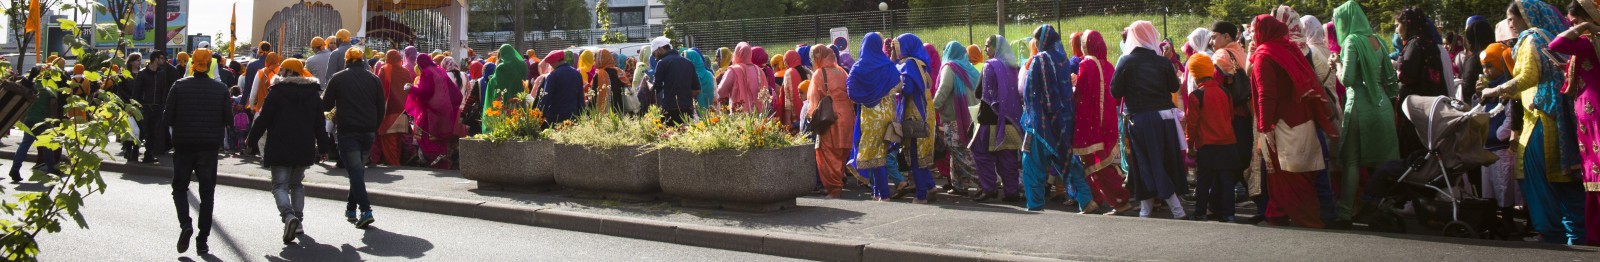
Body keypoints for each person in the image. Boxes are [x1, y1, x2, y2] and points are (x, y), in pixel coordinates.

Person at [1483, 0, 1587, 245]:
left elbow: (1527, 78)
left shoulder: (1531, 38)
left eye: (1511, 18)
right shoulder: (1550, 36)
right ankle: (1579, 233)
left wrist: (1494, 90)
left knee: (1535, 176)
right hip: (1556, 115)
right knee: (1565, 177)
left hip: (1541, 117)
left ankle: (1552, 232)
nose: (1509, 24)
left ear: (1526, 17)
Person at [1252, 14, 1339, 228]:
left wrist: (1265, 127)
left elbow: (1266, 95)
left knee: (1288, 175)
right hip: (1303, 119)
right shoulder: (1289, 48)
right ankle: (1279, 212)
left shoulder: (1264, 55)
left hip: (1283, 123)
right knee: (1300, 173)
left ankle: (1307, 218)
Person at [247, 58, 334, 244]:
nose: (279, 73)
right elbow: (319, 124)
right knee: (297, 184)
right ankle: (299, 221)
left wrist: (250, 140)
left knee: (279, 185)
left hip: (279, 145)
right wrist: (324, 148)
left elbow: (263, 120)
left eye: (283, 70)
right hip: (304, 146)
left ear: (288, 72)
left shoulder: (276, 93)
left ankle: (288, 216)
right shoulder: (313, 94)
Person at [1332, 0, 1402, 222]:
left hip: (1360, 107)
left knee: (1352, 162)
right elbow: (1390, 80)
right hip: (1382, 108)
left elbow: (1348, 79)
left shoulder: (1352, 41)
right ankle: (1381, 210)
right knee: (1382, 163)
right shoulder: (1379, 41)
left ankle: (1345, 213)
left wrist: (1336, 65)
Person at [1114, 21, 1190, 219]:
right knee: (1161, 160)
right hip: (1163, 118)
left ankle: (1172, 209)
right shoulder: (1162, 62)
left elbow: (1115, 91)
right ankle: (1151, 209)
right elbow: (1174, 87)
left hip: (1139, 118)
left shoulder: (1126, 61)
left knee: (1145, 162)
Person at [163, 48, 231, 254]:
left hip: (183, 145)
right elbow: (228, 119)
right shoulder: (220, 89)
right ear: (211, 64)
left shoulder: (179, 86)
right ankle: (203, 241)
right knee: (207, 194)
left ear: (192, 63)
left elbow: (167, 118)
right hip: (209, 148)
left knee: (180, 188)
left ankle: (186, 224)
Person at [1549, 0, 1600, 245]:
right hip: (1586, 112)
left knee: (1597, 170)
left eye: (1575, 22)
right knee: (1593, 173)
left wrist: (1585, 27)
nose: (1574, 27)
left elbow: (1555, 43)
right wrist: (1566, 67)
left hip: (1594, 112)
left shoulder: (1589, 41)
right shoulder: (1589, 44)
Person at [1075, 30, 1136, 214]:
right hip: (1108, 122)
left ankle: (1119, 201)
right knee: (1102, 164)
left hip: (1091, 123)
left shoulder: (1087, 64)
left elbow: (1081, 94)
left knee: (1096, 165)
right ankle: (1097, 199)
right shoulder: (1109, 66)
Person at [1184, 53, 1240, 222]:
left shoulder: (1196, 96)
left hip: (1207, 145)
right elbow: (1230, 116)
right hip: (1228, 143)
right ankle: (1229, 214)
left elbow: (1192, 125)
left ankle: (1200, 213)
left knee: (1204, 181)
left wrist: (1189, 145)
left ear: (1194, 73)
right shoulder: (1225, 92)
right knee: (1226, 181)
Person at [848, 32, 902, 202]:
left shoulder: (858, 67)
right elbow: (899, 85)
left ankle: (882, 194)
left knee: (871, 153)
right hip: (887, 115)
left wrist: (867, 97)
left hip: (870, 116)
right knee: (881, 153)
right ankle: (878, 192)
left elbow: (851, 93)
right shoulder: (886, 64)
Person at [969, 35, 1023, 202]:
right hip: (1010, 119)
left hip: (989, 119)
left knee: (981, 153)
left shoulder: (990, 66)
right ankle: (1011, 191)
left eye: (988, 46)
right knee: (1007, 157)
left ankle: (989, 188)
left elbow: (979, 93)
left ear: (996, 48)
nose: (985, 50)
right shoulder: (1013, 67)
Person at [1395, 8, 1450, 158]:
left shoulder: (1415, 44)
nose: (1396, 30)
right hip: (1430, 103)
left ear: (1407, 24)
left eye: (1398, 25)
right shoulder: (1429, 42)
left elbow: (1408, 75)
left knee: (1414, 148)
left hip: (1416, 106)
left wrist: (1397, 69)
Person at [891, 33, 939, 204]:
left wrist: (896, 88)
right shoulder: (922, 62)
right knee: (922, 154)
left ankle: (921, 196)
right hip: (926, 110)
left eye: (897, 46)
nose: (895, 50)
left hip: (914, 113)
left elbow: (908, 88)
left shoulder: (909, 64)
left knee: (915, 154)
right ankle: (931, 186)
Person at [932, 40, 979, 197]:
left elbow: (943, 90)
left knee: (960, 152)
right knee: (957, 151)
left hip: (954, 117)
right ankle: (959, 184)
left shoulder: (950, 68)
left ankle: (985, 181)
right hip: (970, 117)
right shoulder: (969, 68)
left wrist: (932, 108)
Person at [806, 45, 854, 198]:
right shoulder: (841, 71)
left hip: (830, 117)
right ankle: (838, 181)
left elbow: (813, 100)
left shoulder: (819, 74)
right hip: (847, 115)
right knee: (841, 151)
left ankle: (834, 188)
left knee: (827, 152)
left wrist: (811, 117)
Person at [11, 67, 59, 181]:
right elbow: (53, 102)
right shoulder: (50, 86)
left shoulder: (31, 85)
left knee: (25, 145)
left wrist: (22, 118)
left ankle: (15, 168)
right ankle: (51, 168)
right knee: (47, 145)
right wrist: (53, 117)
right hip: (43, 120)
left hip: (29, 119)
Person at [141, 51, 183, 163]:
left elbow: (164, 90)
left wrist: (162, 104)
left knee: (153, 132)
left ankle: (148, 154)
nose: (163, 60)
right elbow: (138, 90)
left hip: (158, 106)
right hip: (145, 106)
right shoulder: (143, 73)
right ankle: (135, 152)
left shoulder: (162, 73)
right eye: (161, 58)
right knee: (144, 131)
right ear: (155, 59)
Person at [371, 50, 412, 167]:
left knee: (389, 141)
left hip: (389, 110)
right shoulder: (405, 71)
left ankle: (394, 164)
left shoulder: (384, 69)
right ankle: (396, 162)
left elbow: (379, 89)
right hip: (403, 111)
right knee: (398, 140)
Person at [650, 37, 701, 125]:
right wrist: (684, 97)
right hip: (687, 109)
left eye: (654, 54)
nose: (655, 58)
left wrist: (648, 85)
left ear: (660, 49)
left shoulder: (662, 63)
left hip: (670, 110)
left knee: (668, 136)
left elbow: (656, 89)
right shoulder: (688, 62)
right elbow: (697, 89)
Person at [717, 42, 764, 112]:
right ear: (750, 54)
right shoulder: (759, 70)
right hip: (759, 114)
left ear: (736, 53)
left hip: (739, 115)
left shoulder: (733, 71)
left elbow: (721, 91)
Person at [539, 50, 584, 123]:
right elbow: (580, 97)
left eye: (551, 64)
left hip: (556, 117)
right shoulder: (577, 74)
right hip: (573, 115)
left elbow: (546, 97)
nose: (551, 66)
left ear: (555, 62)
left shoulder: (553, 76)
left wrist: (540, 115)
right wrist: (581, 115)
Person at [779, 50, 810, 130]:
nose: (785, 64)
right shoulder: (808, 71)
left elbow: (788, 99)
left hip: (795, 115)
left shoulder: (789, 73)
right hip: (810, 110)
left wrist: (788, 120)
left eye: (785, 62)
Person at [590, 49, 623, 114]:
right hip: (618, 110)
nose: (594, 61)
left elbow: (593, 96)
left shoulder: (599, 74)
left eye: (595, 59)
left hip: (603, 113)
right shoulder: (618, 71)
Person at [241, 42, 273, 106]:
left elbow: (248, 86)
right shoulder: (274, 65)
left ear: (259, 51)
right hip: (270, 100)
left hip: (255, 100)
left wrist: (242, 102)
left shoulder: (252, 65)